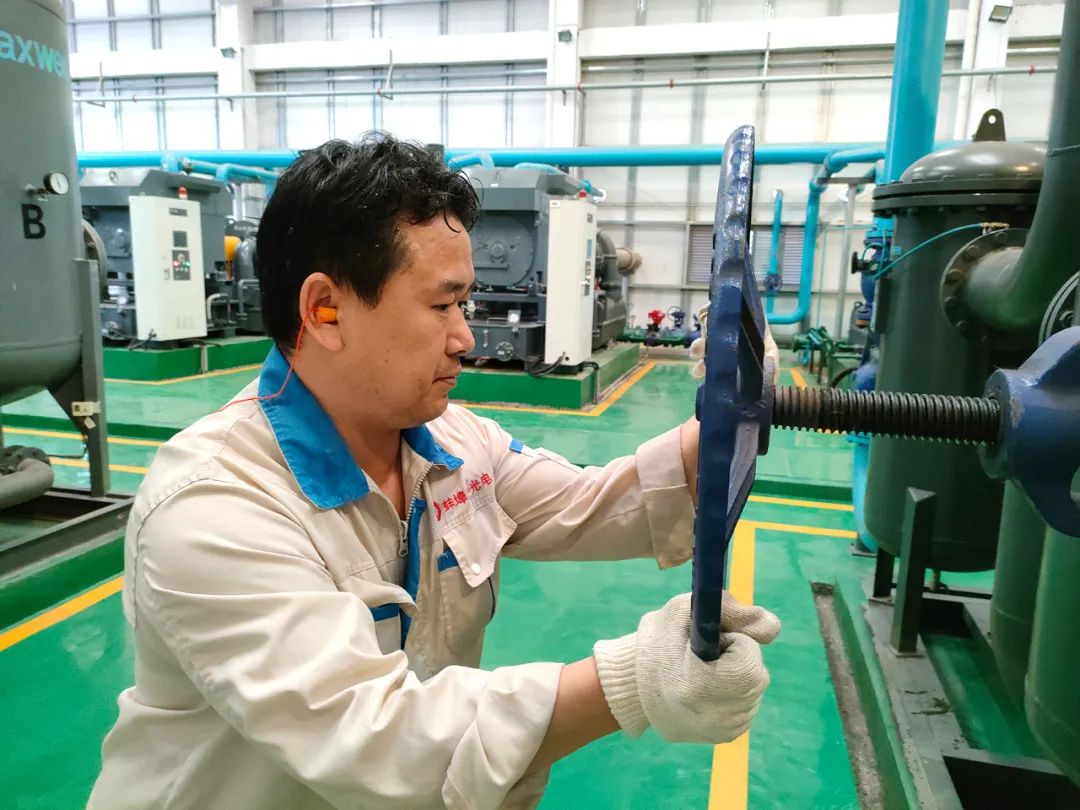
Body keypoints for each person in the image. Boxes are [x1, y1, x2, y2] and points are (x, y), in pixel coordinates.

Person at [89, 133, 781, 810]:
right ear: (324, 310)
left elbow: (597, 504)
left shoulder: (453, 444)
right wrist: (629, 681)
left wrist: (730, 414)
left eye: (466, 304)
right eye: (442, 305)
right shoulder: (214, 505)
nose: (465, 337)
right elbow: (373, 738)